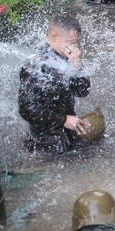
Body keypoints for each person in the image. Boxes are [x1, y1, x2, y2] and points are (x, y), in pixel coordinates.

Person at [18, 14, 92, 153]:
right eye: (70, 43)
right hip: (45, 140)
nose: (76, 48)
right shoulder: (36, 65)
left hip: (67, 130)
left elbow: (83, 92)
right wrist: (63, 120)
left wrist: (77, 66)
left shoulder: (65, 58)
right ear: (53, 36)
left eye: (76, 43)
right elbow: (26, 109)